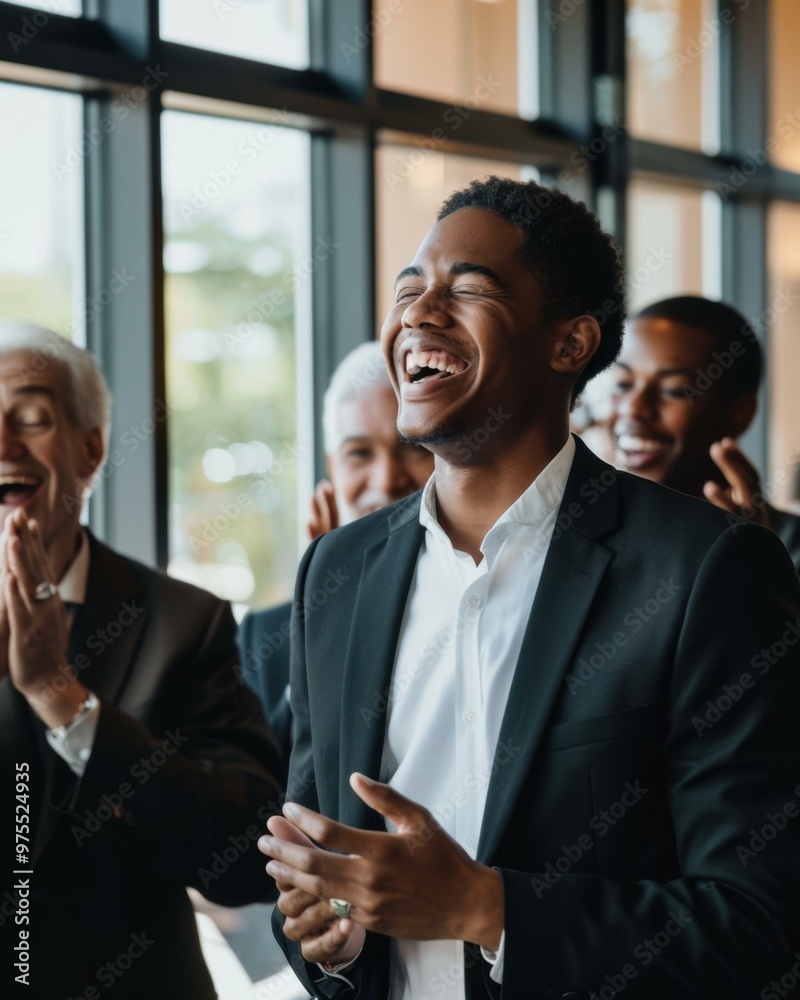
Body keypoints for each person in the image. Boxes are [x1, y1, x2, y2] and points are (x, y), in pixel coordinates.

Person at [258, 177, 800, 999]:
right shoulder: (336, 570)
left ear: (571, 343)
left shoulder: (708, 569)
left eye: (467, 289)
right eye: (410, 289)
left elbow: (758, 927)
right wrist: (325, 940)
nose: (418, 313)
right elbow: (314, 876)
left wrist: (488, 909)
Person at [0, 322, 283, 998]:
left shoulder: (185, 624)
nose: (3, 442)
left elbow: (244, 856)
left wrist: (61, 697)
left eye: (31, 417)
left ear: (90, 448)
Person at [237, 341, 433, 764]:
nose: (386, 477)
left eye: (411, 447)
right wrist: (328, 604)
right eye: (359, 454)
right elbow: (267, 788)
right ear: (331, 468)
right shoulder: (264, 637)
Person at [610, 295, 800, 570]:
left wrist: (753, 568)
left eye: (673, 390)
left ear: (739, 414)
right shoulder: (578, 528)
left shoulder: (788, 551)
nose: (634, 408)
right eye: (623, 383)